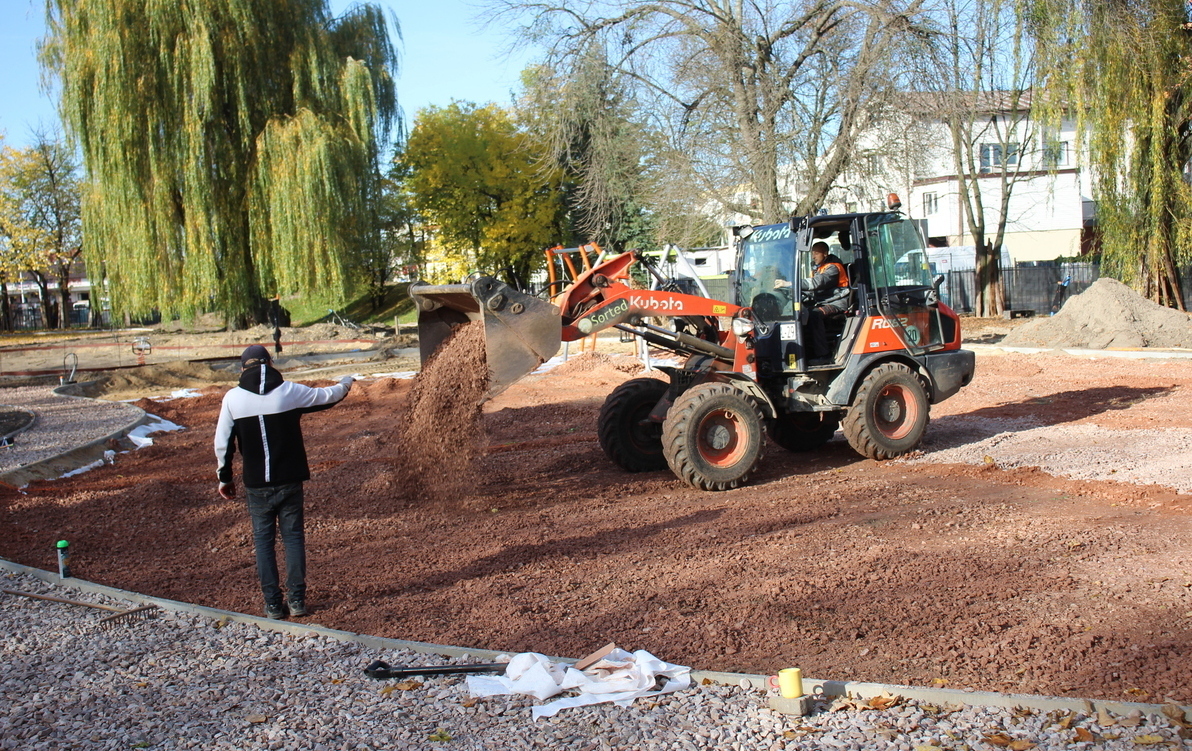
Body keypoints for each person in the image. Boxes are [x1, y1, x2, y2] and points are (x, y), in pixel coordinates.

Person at [214, 344, 354, 619]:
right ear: (271, 362)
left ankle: (273, 605)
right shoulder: (289, 391)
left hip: (256, 484)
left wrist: (225, 477)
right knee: (293, 539)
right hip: (290, 479)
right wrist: (346, 381)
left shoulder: (233, 398)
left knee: (263, 542)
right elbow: (329, 396)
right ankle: (298, 600)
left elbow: (223, 443)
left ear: (243, 368)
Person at [792, 242, 850, 363]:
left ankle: (823, 355)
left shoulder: (832, 268)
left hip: (837, 303)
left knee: (814, 315)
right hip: (824, 300)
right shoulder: (819, 267)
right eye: (812, 253)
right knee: (800, 311)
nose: (813, 256)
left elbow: (818, 283)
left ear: (825, 253)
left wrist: (792, 283)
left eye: (816, 253)